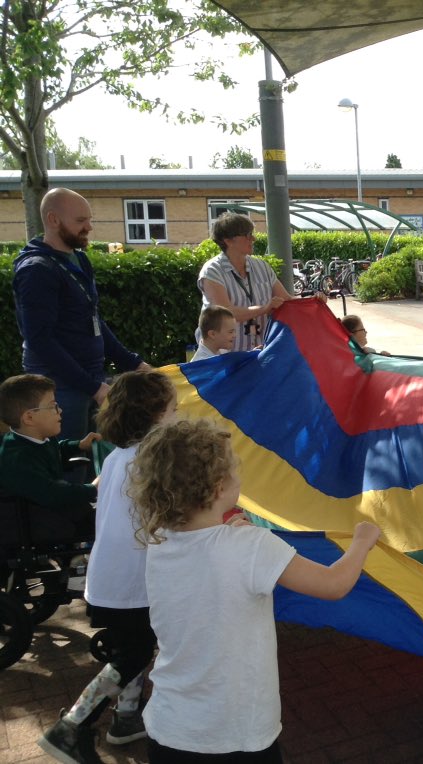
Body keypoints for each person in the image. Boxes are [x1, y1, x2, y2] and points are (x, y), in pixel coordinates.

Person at [128, 418, 380, 762]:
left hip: (170, 729)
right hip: (235, 735)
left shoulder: (161, 542)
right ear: (218, 487)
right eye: (235, 468)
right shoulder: (250, 546)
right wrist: (362, 543)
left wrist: (231, 533)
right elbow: (334, 585)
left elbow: (209, 564)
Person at [37, 371, 178, 763]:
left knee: (134, 648)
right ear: (152, 415)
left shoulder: (118, 456)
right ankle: (71, 726)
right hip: (132, 584)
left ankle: (126, 718)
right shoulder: (153, 459)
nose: (177, 417)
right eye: (173, 410)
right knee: (132, 655)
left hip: (110, 578)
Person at [13, 188, 151, 440]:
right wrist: (93, 387)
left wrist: (134, 363)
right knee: (70, 464)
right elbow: (39, 340)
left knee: (92, 461)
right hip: (58, 390)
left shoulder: (79, 260)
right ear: (53, 220)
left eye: (89, 219)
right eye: (80, 221)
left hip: (90, 382)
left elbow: (93, 320)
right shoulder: (37, 270)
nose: (89, 227)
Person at [0, 374, 98, 540]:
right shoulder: (17, 459)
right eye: (53, 406)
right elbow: (54, 494)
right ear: (29, 417)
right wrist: (94, 488)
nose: (60, 410)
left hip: (51, 509)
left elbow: (54, 450)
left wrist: (79, 445)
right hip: (35, 522)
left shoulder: (41, 438)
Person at [198, 212, 291, 352]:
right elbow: (226, 314)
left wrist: (314, 301)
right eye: (247, 235)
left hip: (259, 353)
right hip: (225, 358)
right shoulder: (212, 271)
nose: (253, 238)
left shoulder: (262, 267)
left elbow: (287, 301)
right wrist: (264, 308)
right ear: (228, 240)